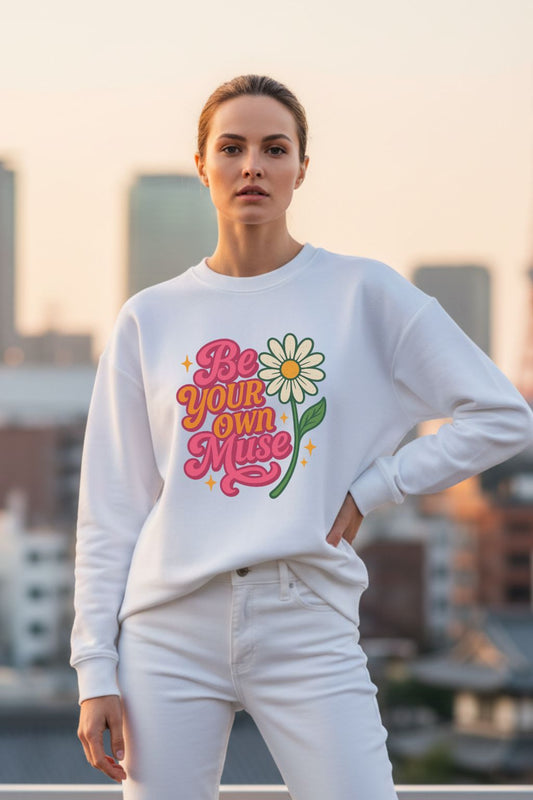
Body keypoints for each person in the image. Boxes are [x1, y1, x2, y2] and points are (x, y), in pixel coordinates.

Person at [71, 73, 533, 800]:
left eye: (272, 147)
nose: (251, 165)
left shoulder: (363, 293)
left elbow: (501, 414)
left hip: (305, 616)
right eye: (231, 147)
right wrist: (94, 667)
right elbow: (112, 508)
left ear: (300, 169)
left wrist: (374, 488)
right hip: (167, 629)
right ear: (203, 164)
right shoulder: (149, 318)